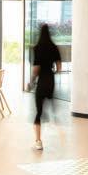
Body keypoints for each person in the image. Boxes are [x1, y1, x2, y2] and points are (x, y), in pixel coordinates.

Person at [29, 23, 61, 151]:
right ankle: (52, 118)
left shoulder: (37, 48)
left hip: (41, 82)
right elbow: (59, 68)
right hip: (50, 81)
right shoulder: (54, 47)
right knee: (48, 104)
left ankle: (38, 141)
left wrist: (31, 82)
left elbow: (36, 70)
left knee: (38, 112)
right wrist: (52, 72)